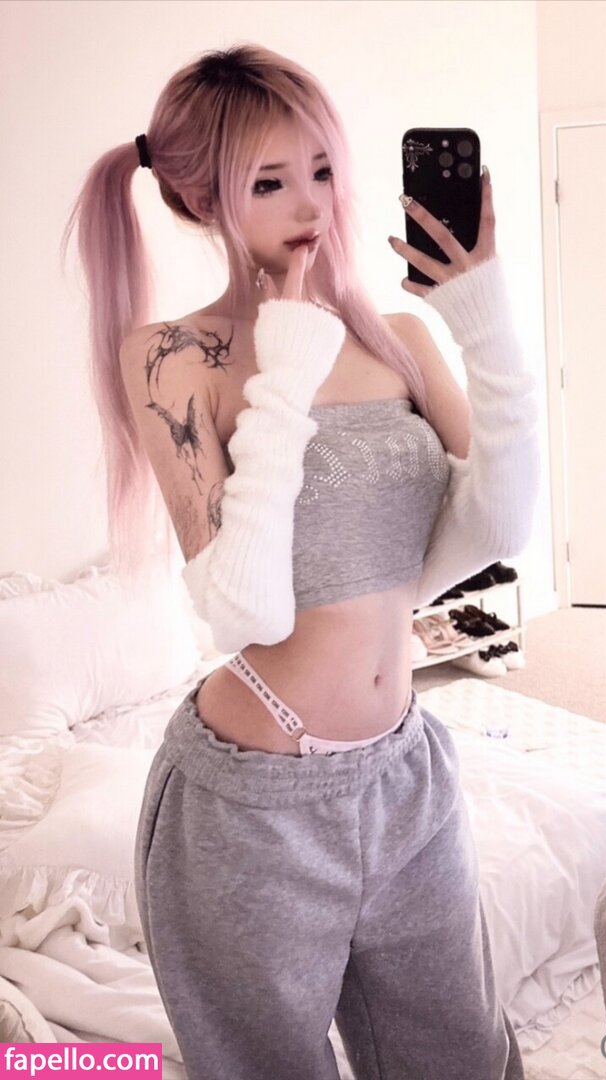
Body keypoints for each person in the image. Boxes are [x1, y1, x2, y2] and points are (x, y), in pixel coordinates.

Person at [62, 43, 539, 1080]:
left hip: (404, 772)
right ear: (203, 200)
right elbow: (243, 610)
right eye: (268, 182)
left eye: (321, 168)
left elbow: (496, 531)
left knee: (459, 1056)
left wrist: (485, 315)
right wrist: (285, 362)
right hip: (251, 805)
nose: (310, 203)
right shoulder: (170, 357)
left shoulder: (401, 337)